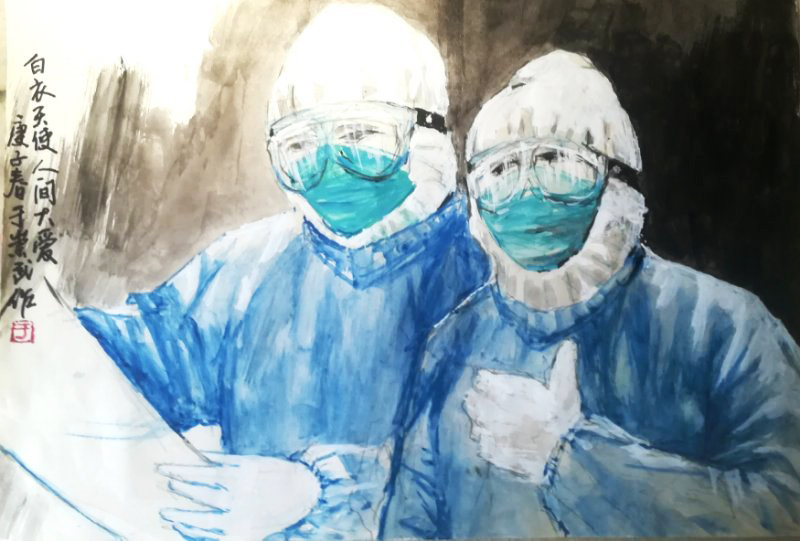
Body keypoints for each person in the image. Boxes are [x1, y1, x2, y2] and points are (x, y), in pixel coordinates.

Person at [74, 4, 488, 540]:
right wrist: (46, 335)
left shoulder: (484, 274)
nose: (329, 168)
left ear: (426, 133)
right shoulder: (249, 267)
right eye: (300, 147)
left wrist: (319, 494)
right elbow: (145, 352)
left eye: (361, 135)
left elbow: (485, 479)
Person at [383, 49, 800, 539]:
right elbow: (409, 522)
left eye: (556, 162)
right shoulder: (454, 342)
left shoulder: (721, 327)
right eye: (500, 171)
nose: (526, 193)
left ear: (614, 176)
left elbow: (783, 511)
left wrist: (569, 457)